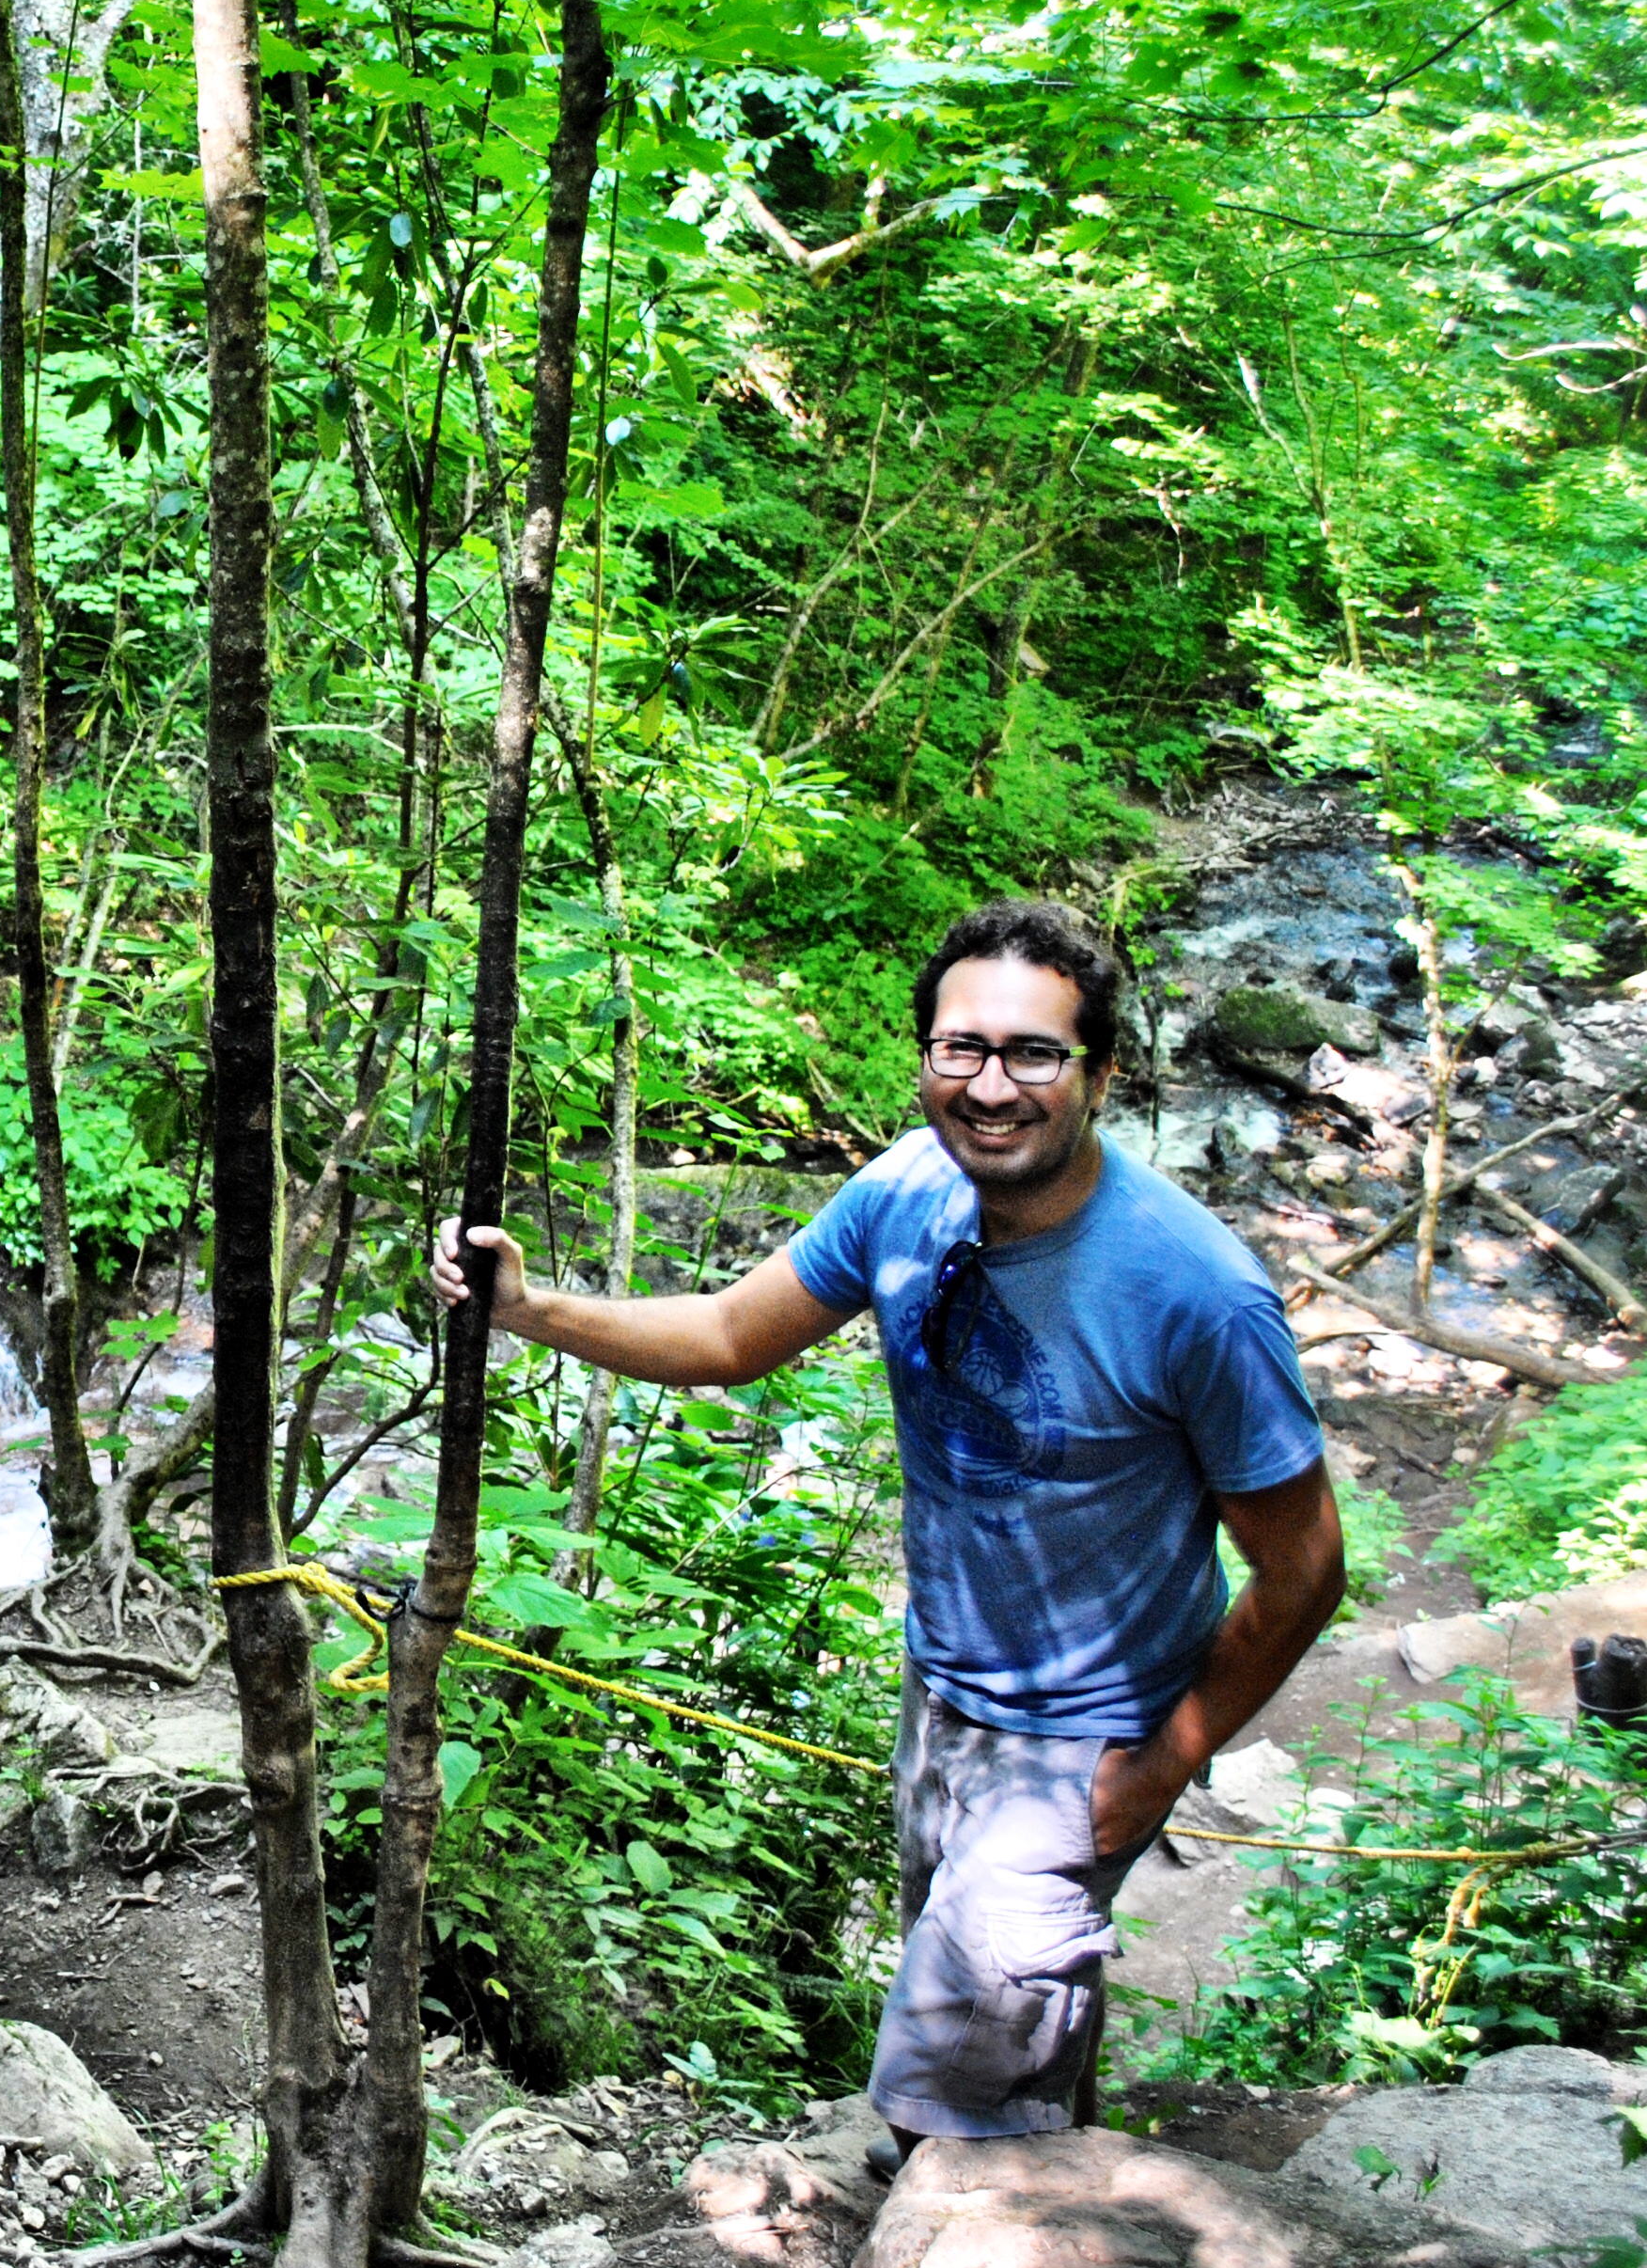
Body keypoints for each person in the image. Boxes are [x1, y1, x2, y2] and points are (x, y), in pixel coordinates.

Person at [430, 897, 1343, 2173]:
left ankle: (957, 2248)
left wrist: (1157, 1768)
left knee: (948, 2106)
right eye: (960, 1049)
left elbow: (1305, 1569)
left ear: (1102, 1073)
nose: (991, 1086)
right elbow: (730, 1339)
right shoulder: (908, 1190)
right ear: (923, 1056)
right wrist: (531, 1310)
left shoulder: (1196, 1292)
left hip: (1094, 1731)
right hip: (943, 1688)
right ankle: (1029, 2199)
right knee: (1003, 2054)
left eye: (1034, 1053)